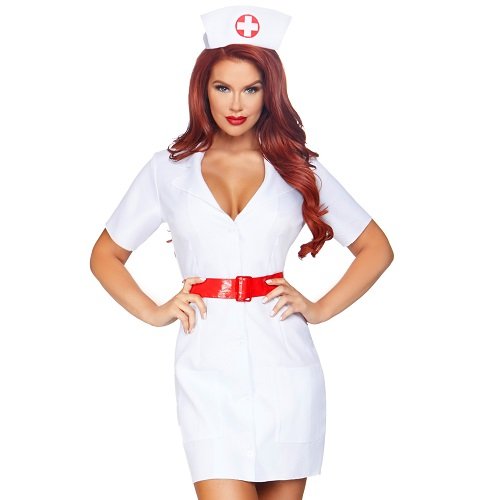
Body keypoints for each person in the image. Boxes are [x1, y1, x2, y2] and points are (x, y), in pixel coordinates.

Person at [90, 5, 394, 500]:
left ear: (269, 92)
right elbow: (105, 255)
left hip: (286, 366)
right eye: (223, 87)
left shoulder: (298, 167)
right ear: (202, 89)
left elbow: (375, 247)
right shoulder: (167, 170)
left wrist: (319, 309)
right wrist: (154, 311)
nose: (236, 103)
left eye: (251, 89)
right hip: (206, 366)